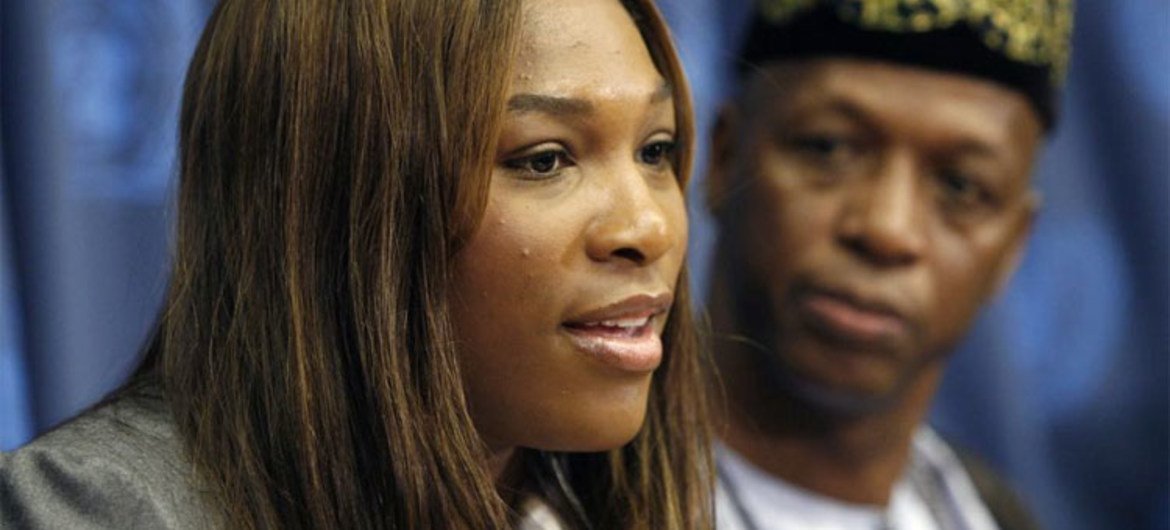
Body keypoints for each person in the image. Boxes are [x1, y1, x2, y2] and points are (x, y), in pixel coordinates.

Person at [0, 0, 713, 528]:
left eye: (655, 149)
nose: (647, 226)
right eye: (545, 159)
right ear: (338, 200)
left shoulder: (587, 506)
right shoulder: (99, 511)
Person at [705, 1, 1072, 529]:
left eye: (960, 187)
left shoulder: (989, 514)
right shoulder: (570, 493)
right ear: (723, 158)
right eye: (828, 148)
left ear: (1014, 247)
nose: (886, 229)